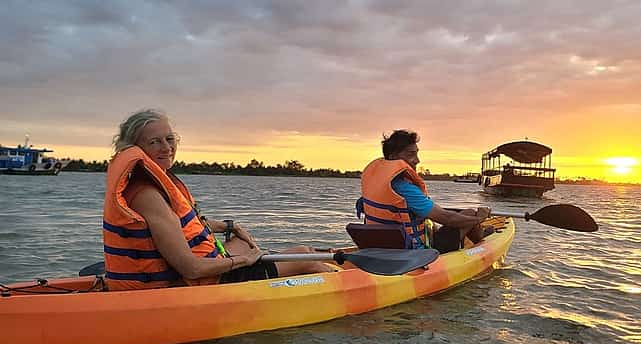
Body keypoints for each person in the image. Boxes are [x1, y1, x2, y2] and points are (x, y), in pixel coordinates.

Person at [103, 109, 331, 291]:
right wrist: (245, 261)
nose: (166, 147)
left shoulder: (146, 185)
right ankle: (347, 292)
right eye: (154, 142)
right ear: (136, 149)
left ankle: (272, 280)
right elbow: (191, 268)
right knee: (306, 257)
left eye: (170, 139)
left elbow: (178, 227)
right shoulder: (148, 196)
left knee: (244, 243)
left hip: (195, 276)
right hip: (192, 284)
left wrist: (229, 226)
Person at [358, 130, 492, 253]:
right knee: (470, 214)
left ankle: (477, 234)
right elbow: (448, 218)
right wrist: (479, 218)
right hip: (415, 253)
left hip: (381, 248)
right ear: (393, 157)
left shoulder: (375, 183)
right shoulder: (405, 189)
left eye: (416, 153)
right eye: (411, 154)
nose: (417, 160)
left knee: (457, 217)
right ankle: (480, 241)